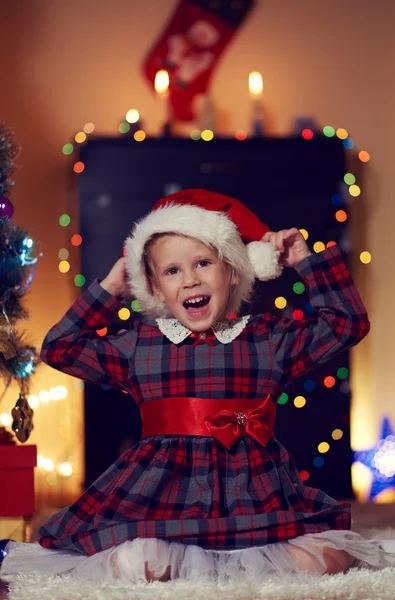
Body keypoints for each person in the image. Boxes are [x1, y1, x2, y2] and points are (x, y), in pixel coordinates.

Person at [1, 188, 394, 584]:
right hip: (164, 497)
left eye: (204, 263)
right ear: (154, 289)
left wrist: (305, 261)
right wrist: (109, 289)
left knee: (327, 558)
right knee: (138, 563)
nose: (190, 280)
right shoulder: (140, 344)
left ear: (234, 271)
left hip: (251, 495)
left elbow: (348, 324)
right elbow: (59, 348)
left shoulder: (267, 338)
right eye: (172, 271)